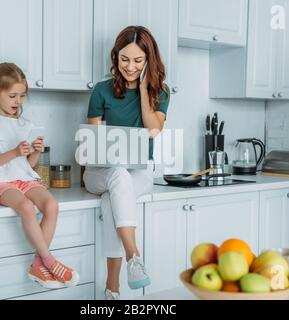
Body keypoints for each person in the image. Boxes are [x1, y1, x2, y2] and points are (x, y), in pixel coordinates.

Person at [0, 63, 79, 289]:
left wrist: (35, 152)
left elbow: (26, 165)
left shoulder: (23, 124)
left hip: (23, 179)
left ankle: (38, 264)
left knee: (51, 205)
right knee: (27, 208)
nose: (18, 101)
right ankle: (49, 260)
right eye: (13, 95)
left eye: (22, 96)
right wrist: (15, 151)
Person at [83, 26, 170, 300]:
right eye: (124, 59)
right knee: (116, 173)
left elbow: (154, 129)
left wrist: (144, 90)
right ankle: (134, 257)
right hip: (98, 173)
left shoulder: (161, 92)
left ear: (148, 61)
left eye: (137, 61)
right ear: (115, 57)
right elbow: (92, 144)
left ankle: (113, 289)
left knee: (113, 198)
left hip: (139, 172)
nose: (129, 67)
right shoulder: (101, 91)